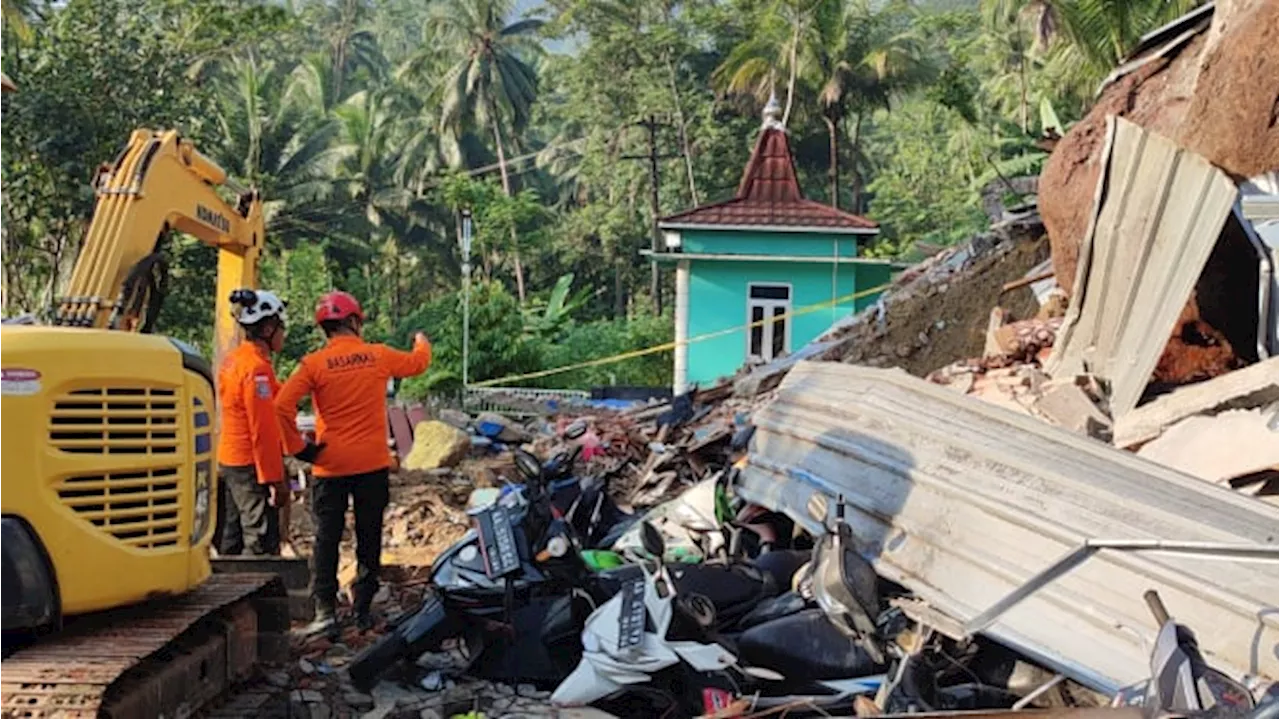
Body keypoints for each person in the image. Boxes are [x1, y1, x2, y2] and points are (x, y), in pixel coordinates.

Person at [275, 290, 431, 637]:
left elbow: (281, 406)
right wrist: (421, 341)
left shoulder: (313, 364)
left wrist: (299, 448)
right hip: (372, 465)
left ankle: (325, 612)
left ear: (325, 328)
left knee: (326, 539)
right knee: (369, 536)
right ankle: (362, 611)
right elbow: (418, 363)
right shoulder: (377, 355)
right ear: (354, 321)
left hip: (329, 465)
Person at [213, 288, 291, 556]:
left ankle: (223, 587)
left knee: (232, 535)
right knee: (260, 538)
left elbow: (274, 398)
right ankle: (256, 595)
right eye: (281, 327)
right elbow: (263, 430)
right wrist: (275, 480)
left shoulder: (235, 360)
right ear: (268, 328)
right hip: (249, 463)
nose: (284, 333)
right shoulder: (256, 369)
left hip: (231, 460)